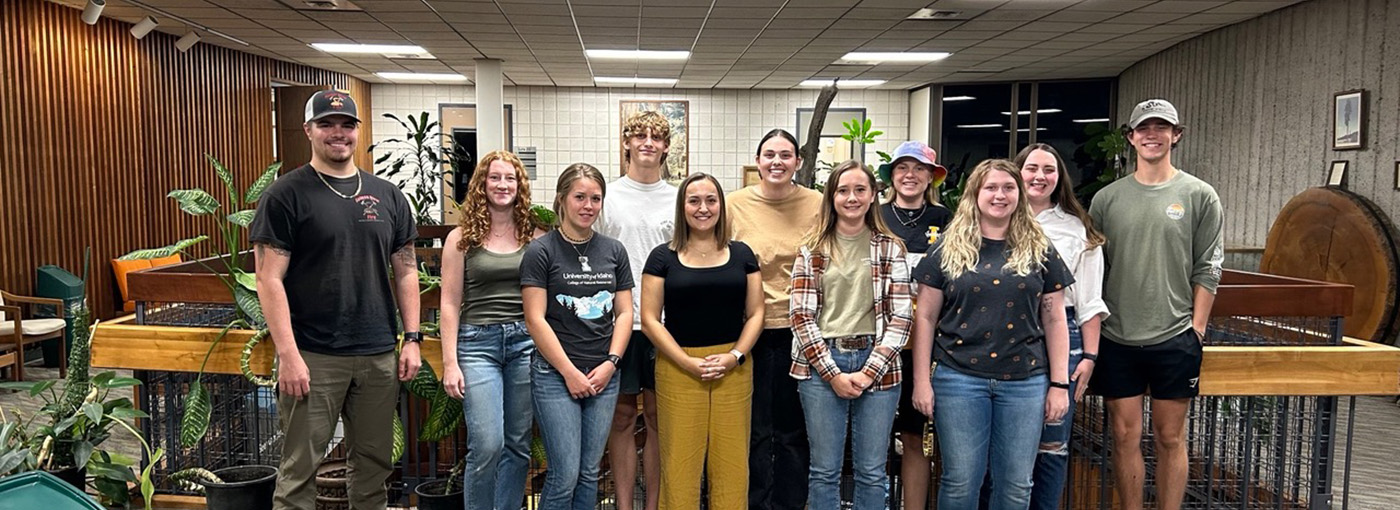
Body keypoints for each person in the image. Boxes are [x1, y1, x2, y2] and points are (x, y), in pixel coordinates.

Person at [251, 90, 422, 510]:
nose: (338, 133)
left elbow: (406, 270)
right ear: (308, 129)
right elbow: (268, 279)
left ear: (357, 132)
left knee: (373, 467)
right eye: (327, 124)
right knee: (298, 473)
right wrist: (288, 355)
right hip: (313, 356)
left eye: (346, 124)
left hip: (378, 352)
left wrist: (412, 337)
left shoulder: (387, 196)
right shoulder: (285, 196)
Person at [911, 159, 1072, 510]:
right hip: (958, 379)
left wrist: (1060, 385)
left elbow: (1055, 318)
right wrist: (921, 381)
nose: (1000, 195)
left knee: (1016, 484)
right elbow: (924, 317)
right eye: (991, 188)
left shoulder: (1040, 248)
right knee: (961, 482)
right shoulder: (946, 248)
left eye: (1008, 188)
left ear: (1019, 194)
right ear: (975, 194)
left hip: (1025, 382)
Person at [1088, 99, 1223, 510]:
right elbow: (1094, 270)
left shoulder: (1200, 195)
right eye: (1143, 128)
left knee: (1170, 437)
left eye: (1161, 127)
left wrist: (1196, 329)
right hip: (1118, 337)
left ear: (1175, 135)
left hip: (1175, 336)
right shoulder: (1105, 200)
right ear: (1130, 138)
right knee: (1125, 436)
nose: (1152, 134)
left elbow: (1209, 267)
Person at [789, 160, 913, 510]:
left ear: (874, 196)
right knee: (824, 470)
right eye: (843, 190)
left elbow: (902, 318)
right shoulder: (812, 249)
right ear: (831, 197)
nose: (851, 198)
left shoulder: (890, 248)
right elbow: (800, 315)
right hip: (820, 365)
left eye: (860, 190)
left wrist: (867, 372)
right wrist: (833, 373)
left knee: (872, 471)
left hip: (879, 363)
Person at [640, 173, 764, 510]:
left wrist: (735, 356)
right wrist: (685, 362)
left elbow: (756, 313)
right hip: (678, 369)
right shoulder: (662, 258)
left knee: (733, 468)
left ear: (722, 206)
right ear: (682, 207)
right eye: (694, 200)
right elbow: (650, 319)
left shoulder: (742, 255)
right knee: (679, 467)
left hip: (733, 370)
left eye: (711, 200)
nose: (703, 208)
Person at [521, 163, 634, 510]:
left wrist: (611, 364)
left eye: (595, 198)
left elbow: (625, 312)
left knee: (588, 472)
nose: (588, 205)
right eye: (580, 197)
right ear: (562, 199)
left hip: (603, 374)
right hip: (555, 375)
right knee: (565, 473)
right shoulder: (541, 251)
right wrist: (569, 373)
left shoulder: (613, 251)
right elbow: (535, 318)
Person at [439, 150, 546, 510]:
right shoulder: (460, 239)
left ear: (520, 185)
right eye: (495, 177)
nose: (503, 185)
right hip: (476, 345)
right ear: (482, 184)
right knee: (487, 443)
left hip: (525, 344)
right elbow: (450, 303)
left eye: (510, 178)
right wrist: (449, 362)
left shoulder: (535, 236)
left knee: (517, 444)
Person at [727, 128, 823, 510]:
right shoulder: (734, 204)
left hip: (801, 331)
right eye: (769, 155)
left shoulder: (818, 203)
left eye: (786, 155)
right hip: (748, 331)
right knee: (753, 429)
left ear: (798, 162)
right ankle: (754, 502)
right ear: (758, 160)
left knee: (792, 430)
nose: (777, 162)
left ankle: (790, 503)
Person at [1016, 143, 1109, 509]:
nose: (1040, 176)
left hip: (1065, 337)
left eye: (1049, 170)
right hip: (1008, 335)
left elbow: (1089, 300)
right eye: (1032, 168)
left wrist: (1089, 355)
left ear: (1059, 178)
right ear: (1017, 172)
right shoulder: (995, 219)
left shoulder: (1076, 230)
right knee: (1006, 441)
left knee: (1052, 442)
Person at [596, 111, 674, 510]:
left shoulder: (678, 198)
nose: (647, 142)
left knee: (661, 420)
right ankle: (624, 505)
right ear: (626, 142)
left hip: (664, 327)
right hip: (618, 326)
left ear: (665, 147)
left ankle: (654, 505)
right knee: (622, 418)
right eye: (639, 135)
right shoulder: (607, 196)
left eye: (656, 137)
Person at [875, 140, 951, 510]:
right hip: (878, 343)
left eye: (919, 169)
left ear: (931, 177)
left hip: (925, 347)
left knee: (915, 434)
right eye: (903, 168)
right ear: (892, 176)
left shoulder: (947, 221)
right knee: (871, 436)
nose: (910, 175)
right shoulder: (874, 215)